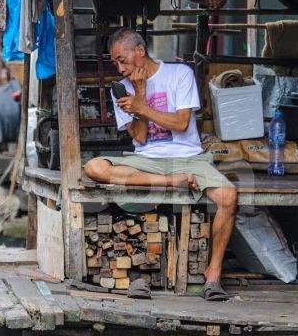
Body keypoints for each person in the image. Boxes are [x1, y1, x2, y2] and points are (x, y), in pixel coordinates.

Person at [84, 28, 238, 301]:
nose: (120, 68)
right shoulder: (122, 90)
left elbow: (180, 124)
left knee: (228, 196)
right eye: (116, 63)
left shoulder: (179, 74)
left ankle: (212, 277)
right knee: (93, 168)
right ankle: (172, 182)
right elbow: (141, 137)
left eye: (123, 60)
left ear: (140, 51)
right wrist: (140, 92)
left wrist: (141, 107)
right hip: (147, 161)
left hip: (188, 156)